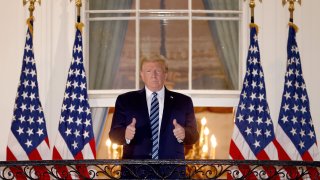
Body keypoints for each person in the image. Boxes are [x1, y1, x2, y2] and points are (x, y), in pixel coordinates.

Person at [109, 55, 199, 178]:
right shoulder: (125, 100)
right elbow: (113, 135)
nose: (154, 75)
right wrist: (125, 134)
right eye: (148, 71)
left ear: (165, 74)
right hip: (135, 173)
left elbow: (194, 135)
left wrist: (184, 133)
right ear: (142, 75)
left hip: (172, 173)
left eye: (158, 70)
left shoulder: (183, 101)